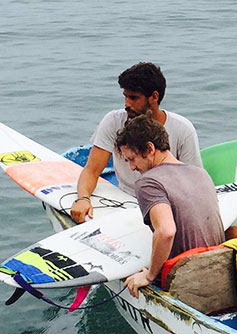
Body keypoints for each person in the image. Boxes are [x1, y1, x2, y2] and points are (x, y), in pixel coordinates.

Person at [70, 62, 203, 224]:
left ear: (154, 97)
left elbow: (194, 183)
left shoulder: (183, 129)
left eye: (133, 98)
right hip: (124, 199)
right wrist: (83, 198)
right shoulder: (114, 121)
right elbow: (91, 170)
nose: (127, 103)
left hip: (166, 204)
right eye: (125, 96)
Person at [114, 114, 224, 298]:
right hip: (221, 274)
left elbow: (166, 232)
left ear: (150, 148)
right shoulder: (201, 173)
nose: (132, 167)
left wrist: (149, 276)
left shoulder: (148, 182)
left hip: (187, 283)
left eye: (132, 159)